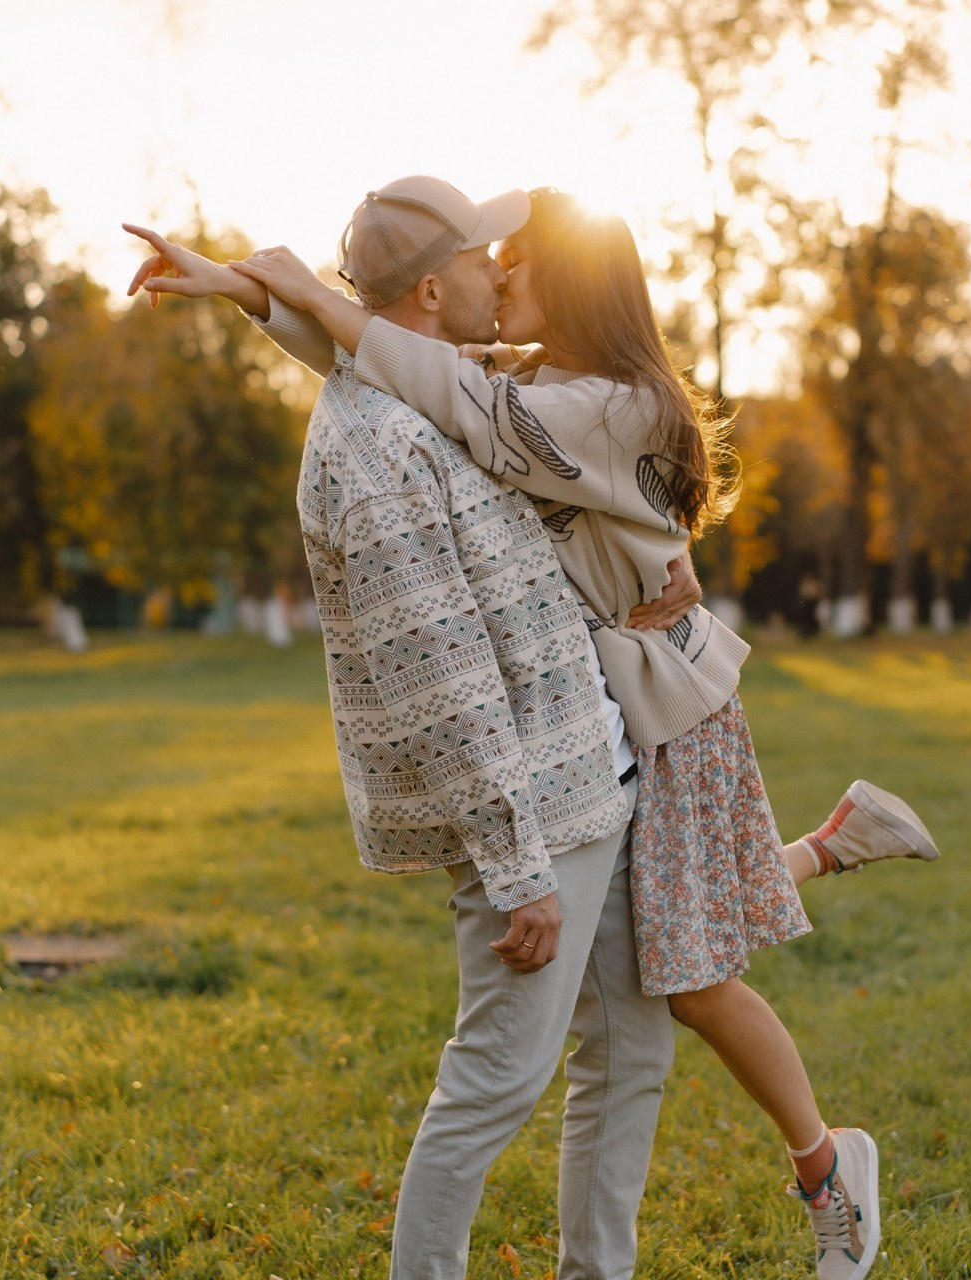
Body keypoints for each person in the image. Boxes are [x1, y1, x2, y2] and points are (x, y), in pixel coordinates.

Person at [216, 184, 942, 1280]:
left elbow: (420, 376)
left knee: (685, 972)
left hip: (663, 709)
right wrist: (256, 295)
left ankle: (824, 1164)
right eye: (486, 255)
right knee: (667, 971)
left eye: (513, 255)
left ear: (570, 279)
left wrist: (309, 290)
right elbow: (399, 379)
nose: (499, 271)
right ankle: (827, 855)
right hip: (590, 724)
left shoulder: (604, 408)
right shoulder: (529, 382)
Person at [126, 180, 705, 1280]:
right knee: (494, 1080)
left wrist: (241, 286)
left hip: (597, 773)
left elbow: (379, 347)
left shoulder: (429, 393)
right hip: (536, 811)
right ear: (436, 286)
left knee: (629, 1050)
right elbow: (442, 682)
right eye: (487, 257)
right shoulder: (374, 452)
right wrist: (515, 863)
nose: (502, 271)